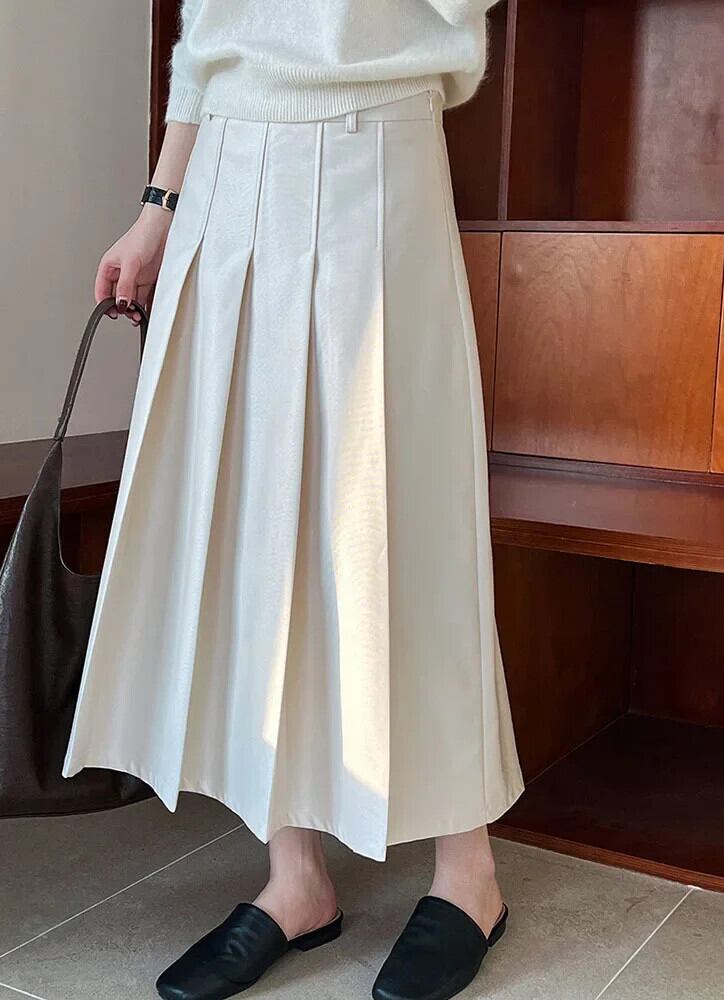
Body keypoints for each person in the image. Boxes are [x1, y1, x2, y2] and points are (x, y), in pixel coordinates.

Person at [62, 2, 524, 998]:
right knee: (251, 522)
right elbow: (208, 28)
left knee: (403, 517)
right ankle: (295, 875)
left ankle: (468, 871)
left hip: (376, 149)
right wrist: (159, 204)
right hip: (226, 173)